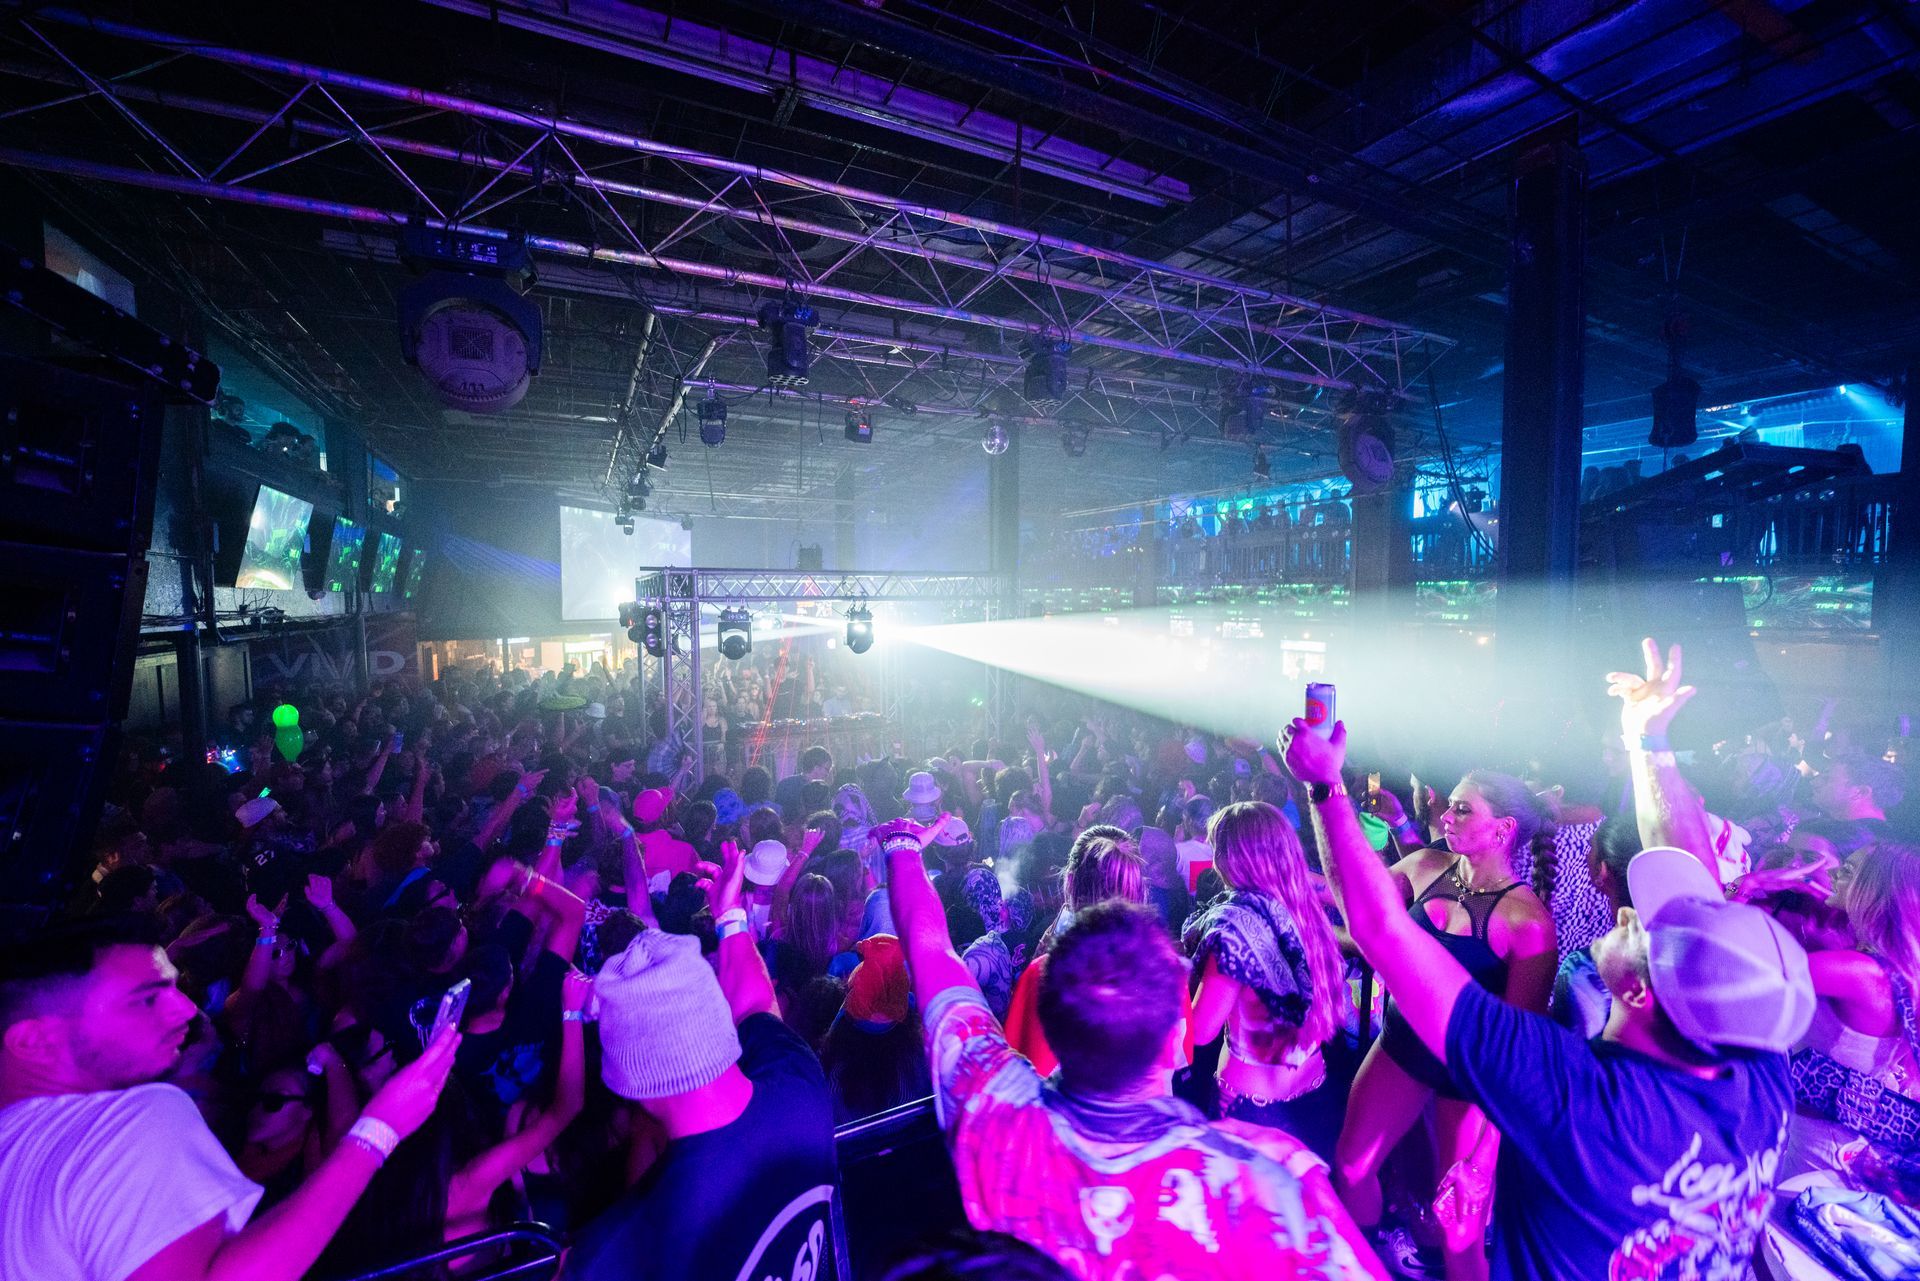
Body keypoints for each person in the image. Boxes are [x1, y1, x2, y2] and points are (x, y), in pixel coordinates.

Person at [1281, 637, 1816, 1281]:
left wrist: (1324, 788)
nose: (1627, 912)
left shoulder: (1576, 1096)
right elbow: (1698, 899)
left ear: (1642, 994)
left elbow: (1382, 932)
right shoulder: (1759, 1078)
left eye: (1645, 928)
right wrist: (1650, 745)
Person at [873, 813, 1384, 1280]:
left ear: (1050, 1016)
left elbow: (933, 953)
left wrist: (903, 848)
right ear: (1175, 1038)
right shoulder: (1263, 1183)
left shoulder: (993, 1104)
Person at [0, 914, 459, 1281]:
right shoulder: (134, 1120)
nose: (187, 1010)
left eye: (176, 989)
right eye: (147, 1000)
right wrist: (380, 1129)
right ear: (34, 1042)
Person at [564, 839, 839, 1281]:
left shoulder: (622, 1249)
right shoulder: (800, 1082)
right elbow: (756, 1007)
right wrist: (731, 918)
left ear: (634, 1087)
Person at [1331, 767, 1557, 1281]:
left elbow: (1517, 1054)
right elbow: (1357, 907)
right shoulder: (1425, 864)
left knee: (1458, 1220)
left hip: (1468, 1077)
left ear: (1502, 830)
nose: (1446, 815)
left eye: (1463, 808)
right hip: (1402, 1044)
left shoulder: (1528, 922)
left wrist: (1485, 1155)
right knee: (1350, 1167)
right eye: (1450, 804)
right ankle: (1365, 1267)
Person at [1188, 801, 1350, 1162]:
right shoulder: (1306, 909)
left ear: (1231, 859)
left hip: (1252, 1109)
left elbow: (1202, 1030)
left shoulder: (1232, 926)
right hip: (1316, 1095)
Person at [775, 746, 835, 820]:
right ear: (816, 767)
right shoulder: (822, 791)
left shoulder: (784, 784)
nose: (827, 774)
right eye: (827, 769)